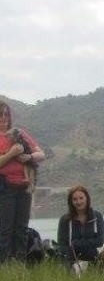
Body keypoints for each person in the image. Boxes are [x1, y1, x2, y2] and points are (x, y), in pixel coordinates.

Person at [0, 100, 46, 264]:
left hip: (25, 187)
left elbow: (41, 154)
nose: (4, 118)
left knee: (21, 229)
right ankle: (4, 265)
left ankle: (20, 265)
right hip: (5, 187)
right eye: (1, 114)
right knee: (5, 229)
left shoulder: (20, 133)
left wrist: (29, 157)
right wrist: (12, 153)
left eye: (6, 114)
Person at [57, 185, 104, 268]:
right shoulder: (64, 219)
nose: (78, 202)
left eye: (81, 198)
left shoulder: (97, 216)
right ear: (71, 202)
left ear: (87, 198)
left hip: (92, 258)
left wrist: (77, 243)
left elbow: (100, 241)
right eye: (75, 199)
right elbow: (62, 244)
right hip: (71, 260)